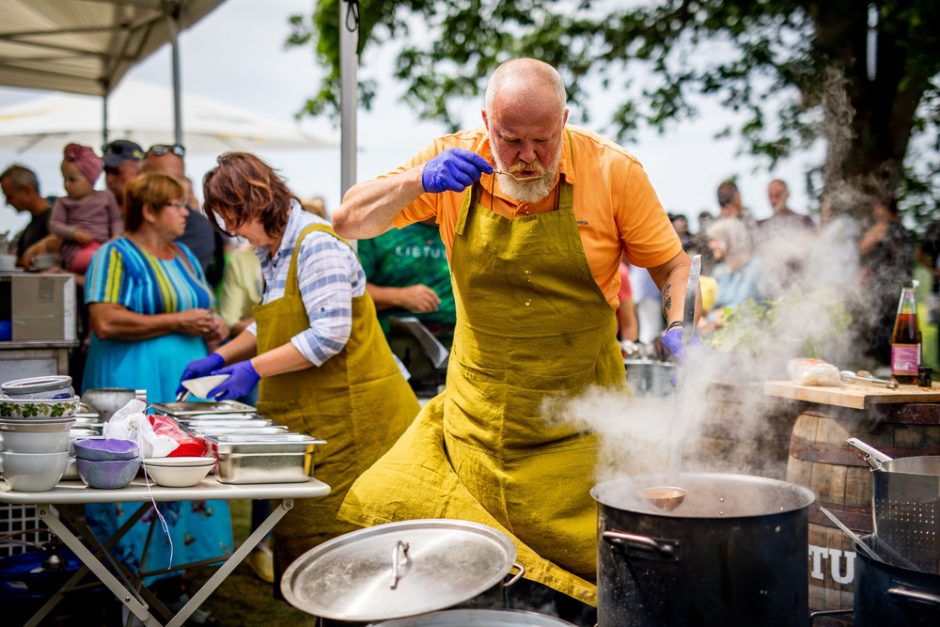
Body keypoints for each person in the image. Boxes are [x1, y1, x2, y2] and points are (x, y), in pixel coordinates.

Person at [330, 58, 692, 609]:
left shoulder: (613, 172)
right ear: (485, 122)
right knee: (416, 534)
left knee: (609, 579)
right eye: (510, 139)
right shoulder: (449, 160)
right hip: (478, 423)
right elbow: (348, 221)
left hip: (582, 428)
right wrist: (415, 181)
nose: (526, 157)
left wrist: (677, 325)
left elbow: (670, 265)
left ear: (565, 121)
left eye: (542, 142)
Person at [180, 152, 419, 587]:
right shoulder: (272, 251)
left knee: (359, 547)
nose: (231, 230)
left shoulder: (317, 244)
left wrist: (250, 370)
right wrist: (221, 357)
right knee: (315, 546)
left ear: (256, 198)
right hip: (321, 421)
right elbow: (275, 322)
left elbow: (328, 335)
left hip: (360, 422)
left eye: (233, 217)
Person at [82, 172, 232, 619]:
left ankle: (174, 587)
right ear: (149, 210)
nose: (186, 212)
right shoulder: (114, 255)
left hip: (180, 387)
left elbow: (196, 308)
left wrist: (213, 325)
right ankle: (129, 590)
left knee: (184, 474)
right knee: (137, 480)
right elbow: (105, 321)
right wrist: (177, 322)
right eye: (176, 205)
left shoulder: (185, 255)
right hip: (134, 386)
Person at [358, 219, 457, 347]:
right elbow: (351, 290)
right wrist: (399, 296)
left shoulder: (465, 228)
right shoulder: (381, 229)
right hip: (395, 341)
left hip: (458, 341)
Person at [142, 143, 225, 286]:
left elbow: (175, 282)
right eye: (161, 180)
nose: (172, 187)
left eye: (177, 180)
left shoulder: (195, 226)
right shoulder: (122, 218)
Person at [48, 143, 123, 274]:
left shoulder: (106, 197)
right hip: (75, 249)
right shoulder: (63, 202)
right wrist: (74, 234)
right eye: (64, 179)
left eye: (72, 180)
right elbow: (54, 225)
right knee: (98, 261)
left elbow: (116, 220)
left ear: (90, 179)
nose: (66, 184)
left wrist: (116, 235)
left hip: (103, 245)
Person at [858, 194, 913, 364]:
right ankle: (897, 363)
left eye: (876, 207)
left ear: (883, 208)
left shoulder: (883, 227)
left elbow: (862, 247)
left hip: (882, 285)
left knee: (879, 324)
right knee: (896, 325)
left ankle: (883, 364)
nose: (874, 212)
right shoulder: (904, 230)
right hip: (901, 286)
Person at [697, 217, 764, 335]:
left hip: (746, 336)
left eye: (715, 240)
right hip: (718, 336)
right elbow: (713, 306)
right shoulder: (719, 271)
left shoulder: (755, 267)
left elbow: (741, 308)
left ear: (729, 240)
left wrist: (710, 319)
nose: (710, 245)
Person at [0, 164, 60, 267]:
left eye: (10, 196)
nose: (7, 202)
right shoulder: (30, 227)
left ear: (27, 190)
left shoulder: (54, 220)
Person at [102, 139, 144, 214]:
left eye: (116, 172)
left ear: (140, 172)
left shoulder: (155, 212)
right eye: (106, 172)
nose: (109, 179)